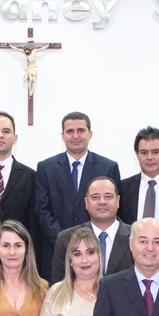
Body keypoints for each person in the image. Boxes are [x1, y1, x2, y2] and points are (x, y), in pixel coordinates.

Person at [35, 112, 121, 275]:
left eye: (81, 130)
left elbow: (111, 209)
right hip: (56, 250)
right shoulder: (46, 168)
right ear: (62, 135)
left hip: (97, 250)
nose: (75, 136)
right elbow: (42, 211)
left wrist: (89, 244)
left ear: (90, 134)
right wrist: (65, 241)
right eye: (70, 131)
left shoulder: (108, 167)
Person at [51, 176, 132, 284]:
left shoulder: (136, 237)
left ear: (118, 201)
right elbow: (60, 285)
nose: (102, 202)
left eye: (108, 196)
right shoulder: (66, 239)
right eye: (95, 197)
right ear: (86, 202)